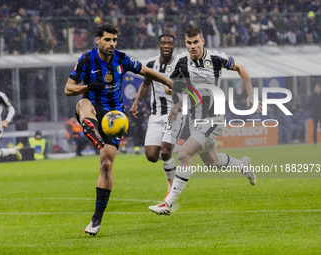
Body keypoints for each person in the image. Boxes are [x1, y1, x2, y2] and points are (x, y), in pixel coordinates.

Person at [64, 24, 172, 236]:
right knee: (83, 104)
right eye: (107, 39)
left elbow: (146, 71)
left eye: (114, 40)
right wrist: (87, 87)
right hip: (93, 109)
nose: (112, 43)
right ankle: (92, 131)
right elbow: (69, 88)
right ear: (98, 40)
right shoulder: (87, 60)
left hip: (114, 118)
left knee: (106, 166)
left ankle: (96, 220)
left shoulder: (122, 58)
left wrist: (168, 81)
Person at [148, 25, 258, 215]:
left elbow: (242, 67)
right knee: (213, 162)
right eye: (189, 43)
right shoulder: (181, 61)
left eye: (196, 42)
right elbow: (170, 86)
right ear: (186, 43)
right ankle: (243, 165)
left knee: (183, 155)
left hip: (213, 117)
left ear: (202, 41)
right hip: (195, 121)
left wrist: (250, 95)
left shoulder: (216, 58)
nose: (192, 46)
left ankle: (168, 204)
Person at [130, 34, 182, 203]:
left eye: (170, 43)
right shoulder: (151, 63)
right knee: (152, 156)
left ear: (174, 46)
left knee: (165, 151)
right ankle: (177, 152)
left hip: (174, 113)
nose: (166, 45)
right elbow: (145, 83)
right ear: (159, 45)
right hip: (155, 114)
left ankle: (171, 189)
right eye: (163, 43)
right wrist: (136, 102)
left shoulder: (180, 65)